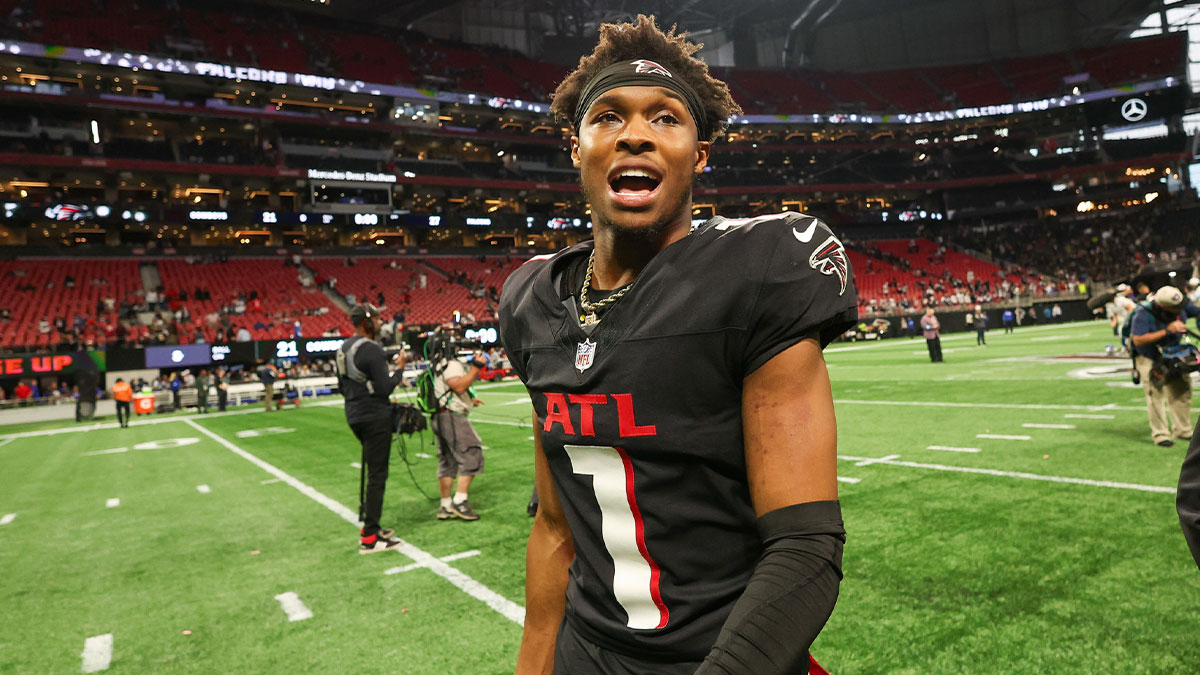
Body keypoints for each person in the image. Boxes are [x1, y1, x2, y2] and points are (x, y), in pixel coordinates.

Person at [498, 16, 854, 674]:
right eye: (607, 116)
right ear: (576, 148)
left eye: (665, 117)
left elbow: (804, 547)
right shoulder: (532, 302)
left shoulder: (758, 271)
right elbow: (554, 527)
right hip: (589, 654)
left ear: (700, 154)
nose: (635, 133)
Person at [337, 303, 407, 554]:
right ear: (367, 322)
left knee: (371, 471)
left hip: (354, 414)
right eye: (376, 319)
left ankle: (371, 525)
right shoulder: (371, 348)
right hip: (374, 416)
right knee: (377, 475)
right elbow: (385, 388)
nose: (380, 323)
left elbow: (343, 387)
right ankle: (370, 535)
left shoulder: (344, 347)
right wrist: (399, 369)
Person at [428, 329, 488, 522]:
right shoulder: (450, 363)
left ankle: (445, 505)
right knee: (472, 453)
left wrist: (470, 400)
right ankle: (460, 501)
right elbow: (459, 385)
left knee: (447, 461)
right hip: (452, 417)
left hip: (439, 415)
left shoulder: (436, 363)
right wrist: (476, 367)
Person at [1130, 286, 1194, 447]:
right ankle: (1161, 434)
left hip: (1174, 353)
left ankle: (1183, 430)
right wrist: (1168, 331)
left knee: (1182, 390)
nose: (1179, 310)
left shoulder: (1180, 303)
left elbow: (1197, 311)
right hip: (1149, 356)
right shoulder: (1143, 313)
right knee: (1155, 395)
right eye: (1174, 308)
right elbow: (1138, 340)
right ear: (1162, 306)